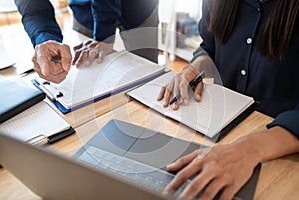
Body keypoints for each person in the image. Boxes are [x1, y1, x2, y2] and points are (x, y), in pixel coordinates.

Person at [158, 0, 299, 199]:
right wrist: (195, 67)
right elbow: (209, 47)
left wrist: (250, 149)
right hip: (218, 131)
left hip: (281, 152)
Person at [15, 0, 159, 83]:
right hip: (86, 9)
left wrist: (103, 36)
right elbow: (31, 4)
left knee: (148, 75)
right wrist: (46, 39)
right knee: (92, 78)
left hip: (139, 7)